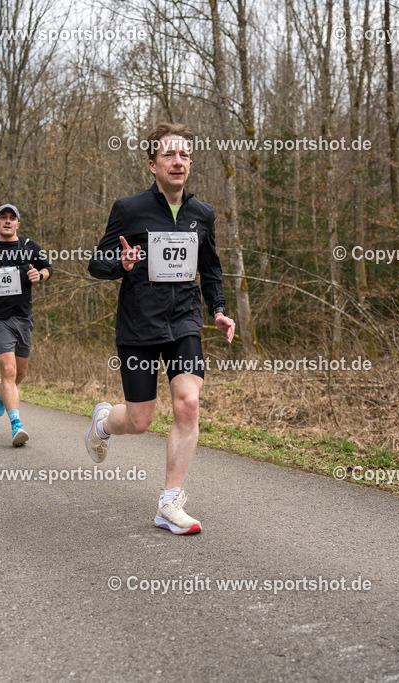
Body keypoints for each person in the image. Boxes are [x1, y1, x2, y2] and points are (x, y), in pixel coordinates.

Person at [85, 123, 235, 535]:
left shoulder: (202, 214)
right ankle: (102, 423)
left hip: (184, 320)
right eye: (169, 155)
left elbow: (210, 269)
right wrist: (123, 265)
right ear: (153, 164)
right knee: (139, 421)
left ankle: (169, 501)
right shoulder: (130, 209)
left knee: (188, 403)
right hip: (139, 324)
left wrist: (218, 309)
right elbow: (96, 264)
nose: (178, 161)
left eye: (184, 154)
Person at [0, 204, 52, 447]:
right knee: (8, 371)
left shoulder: (29, 247)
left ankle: (0, 392)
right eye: (3, 218)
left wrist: (41, 275)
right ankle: (17, 425)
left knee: (21, 373)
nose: (7, 221)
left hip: (23, 317)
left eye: (11, 218)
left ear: (18, 224)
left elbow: (48, 268)